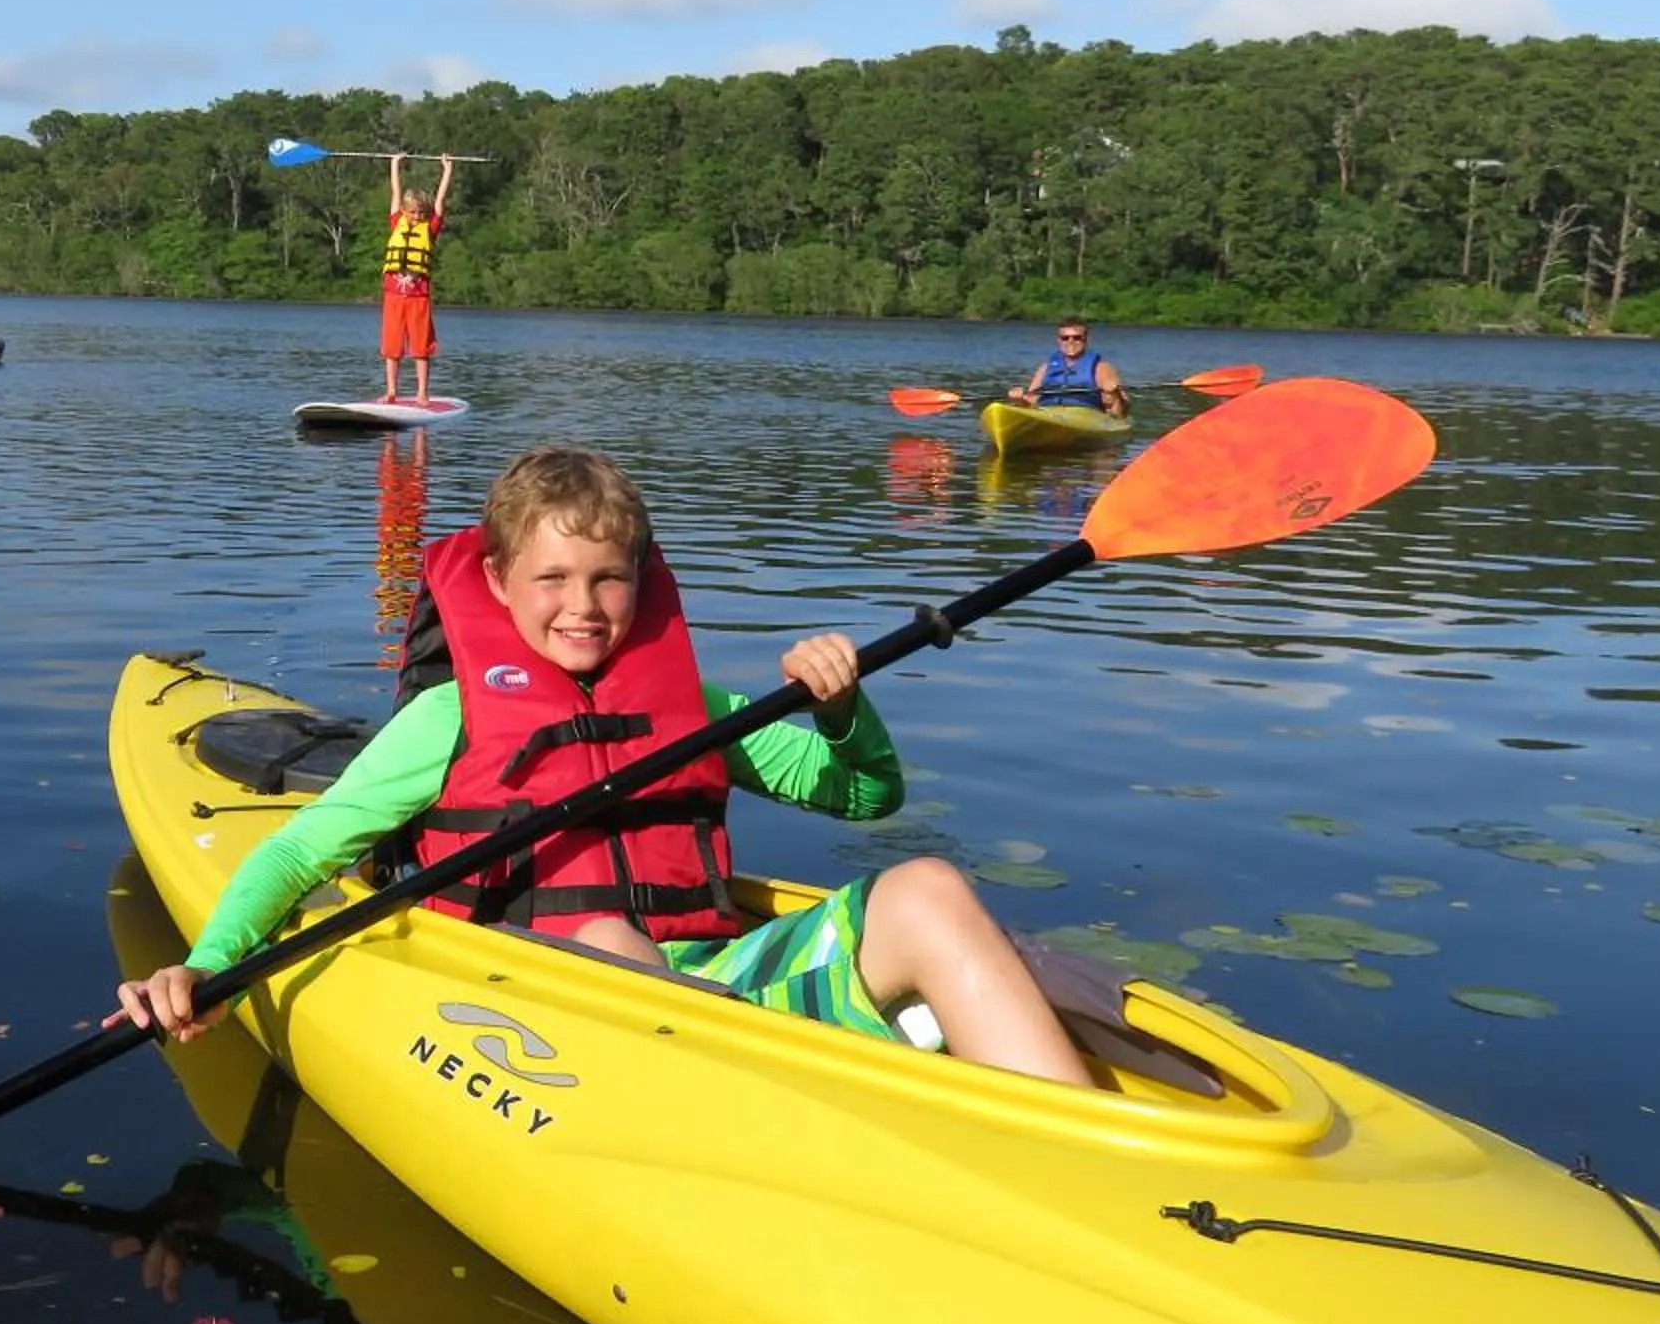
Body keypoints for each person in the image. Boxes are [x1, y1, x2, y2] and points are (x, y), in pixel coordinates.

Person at [111, 446, 1089, 1086]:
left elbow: (869, 797)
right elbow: (297, 858)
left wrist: (844, 714)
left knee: (925, 887)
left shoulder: (693, 712)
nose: (583, 605)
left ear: (641, 581)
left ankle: (1080, 1139)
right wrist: (208, 967)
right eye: (553, 579)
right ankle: (810, 1088)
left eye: (609, 578)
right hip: (538, 994)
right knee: (613, 931)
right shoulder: (448, 720)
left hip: (700, 982)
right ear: (498, 584)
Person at [379, 150, 455, 405]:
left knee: (421, 348)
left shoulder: (430, 228)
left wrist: (447, 171)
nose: (416, 216)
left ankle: (422, 393)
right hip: (393, 297)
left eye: (420, 213)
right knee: (392, 346)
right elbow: (395, 194)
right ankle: (391, 391)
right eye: (411, 212)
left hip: (418, 298)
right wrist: (394, 166)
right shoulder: (395, 222)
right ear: (404, 211)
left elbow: (440, 202)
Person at [1008, 318, 1125, 413]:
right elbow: (1031, 402)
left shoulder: (1102, 368)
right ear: (1058, 340)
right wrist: (1019, 399)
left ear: (1086, 339)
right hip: (1048, 412)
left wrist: (1116, 395)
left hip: (1085, 415)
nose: (1071, 342)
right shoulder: (1045, 368)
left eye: (1077, 338)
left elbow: (1119, 414)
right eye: (1065, 338)